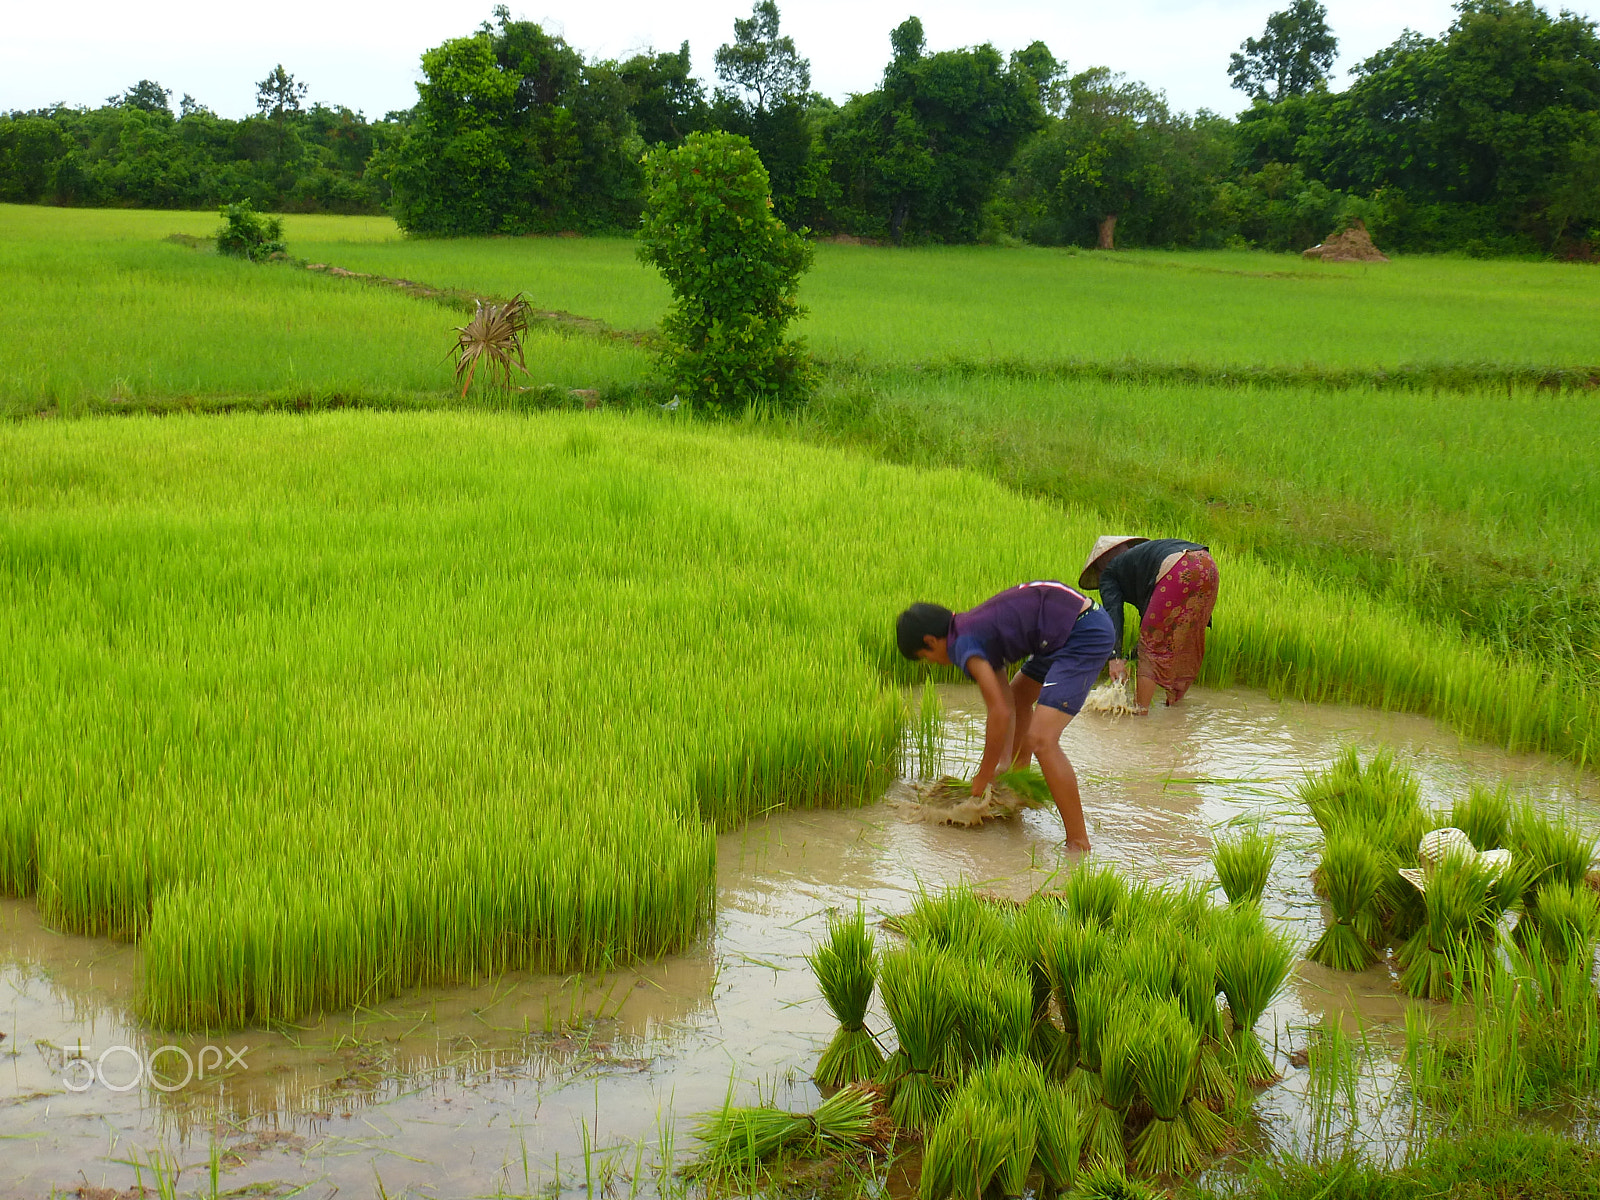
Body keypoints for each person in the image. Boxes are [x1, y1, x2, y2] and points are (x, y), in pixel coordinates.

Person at [896, 581, 1116, 851]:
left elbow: (998, 711)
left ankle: (1078, 843)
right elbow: (1008, 702)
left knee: (1041, 740)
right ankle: (1017, 781)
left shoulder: (963, 644)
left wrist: (983, 776)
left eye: (926, 658)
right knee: (1020, 694)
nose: (935, 664)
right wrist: (1002, 765)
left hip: (1082, 632)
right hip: (1064, 631)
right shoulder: (970, 627)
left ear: (930, 641)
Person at [1078, 536, 1220, 713]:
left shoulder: (1109, 572)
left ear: (1100, 566)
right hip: (1207, 564)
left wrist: (1114, 658)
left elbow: (1113, 613)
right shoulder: (1141, 562)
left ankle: (1140, 713)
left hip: (1177, 568)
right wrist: (1129, 659)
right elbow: (1155, 621)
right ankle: (1176, 709)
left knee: (1150, 647)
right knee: (1185, 639)